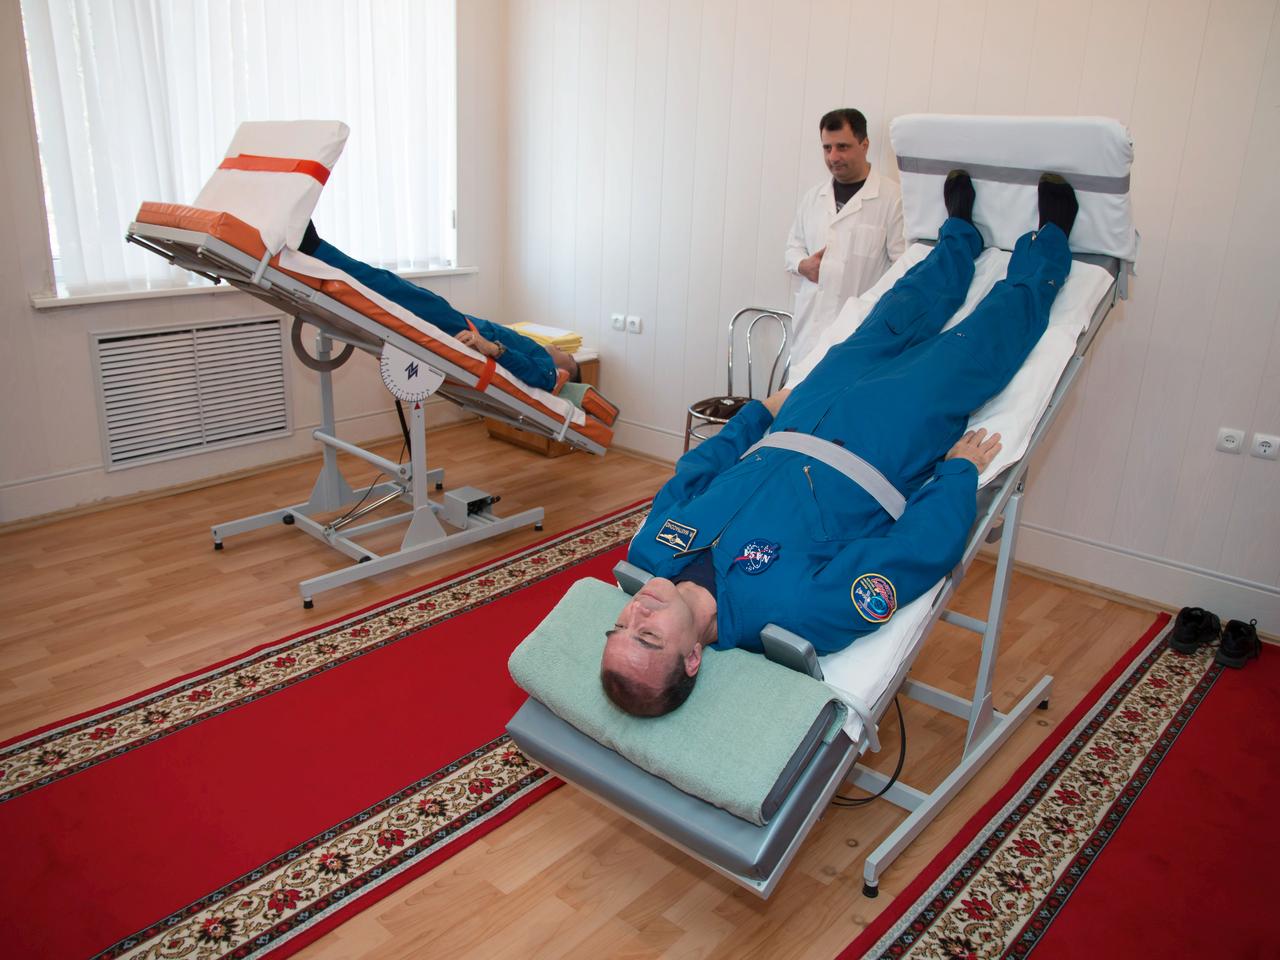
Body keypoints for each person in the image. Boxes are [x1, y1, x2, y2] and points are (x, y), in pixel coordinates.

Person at [604, 171, 1080, 717]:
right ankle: (1050, 247)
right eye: (646, 637)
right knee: (982, 343)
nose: (635, 613)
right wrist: (956, 476)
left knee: (896, 315)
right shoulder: (793, 613)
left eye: (619, 626)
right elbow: (913, 556)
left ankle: (959, 238)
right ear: (693, 658)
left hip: (807, 413)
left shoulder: (650, 552)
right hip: (889, 438)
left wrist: (759, 413)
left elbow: (694, 471)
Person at [298, 223, 579, 392]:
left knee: (389, 288)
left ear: (565, 369)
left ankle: (314, 250)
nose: (560, 348)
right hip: (461, 323)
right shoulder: (538, 353)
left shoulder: (549, 371)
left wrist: (489, 347)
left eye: (566, 354)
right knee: (392, 288)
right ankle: (315, 254)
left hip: (462, 330)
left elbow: (532, 373)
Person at [784, 108, 906, 366]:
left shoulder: (892, 199)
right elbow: (792, 248)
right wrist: (802, 265)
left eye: (842, 146)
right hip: (808, 337)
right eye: (827, 148)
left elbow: (904, 267)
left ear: (864, 145)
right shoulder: (813, 198)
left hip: (857, 337)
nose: (833, 157)